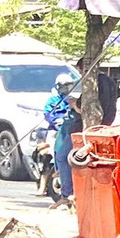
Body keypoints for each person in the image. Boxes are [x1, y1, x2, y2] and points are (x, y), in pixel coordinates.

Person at [43, 73, 80, 205]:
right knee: (57, 150)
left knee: (64, 156)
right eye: (64, 85)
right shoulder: (53, 99)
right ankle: (57, 170)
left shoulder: (73, 98)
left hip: (69, 129)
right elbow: (48, 113)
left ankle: (67, 192)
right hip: (56, 128)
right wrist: (55, 120)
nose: (66, 88)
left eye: (68, 85)